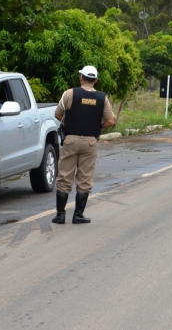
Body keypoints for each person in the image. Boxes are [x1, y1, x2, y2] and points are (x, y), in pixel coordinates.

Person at [51, 65, 115, 225]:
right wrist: (97, 127)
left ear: (81, 78)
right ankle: (78, 215)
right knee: (84, 178)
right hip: (90, 142)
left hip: (71, 140)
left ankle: (60, 215)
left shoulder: (69, 93)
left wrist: (68, 123)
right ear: (96, 80)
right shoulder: (102, 98)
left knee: (64, 177)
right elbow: (110, 121)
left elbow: (57, 114)